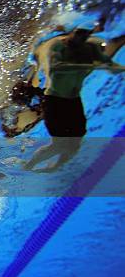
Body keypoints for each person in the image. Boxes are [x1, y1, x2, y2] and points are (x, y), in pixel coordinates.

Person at [23, 23, 124, 172]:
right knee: (58, 145)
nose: (79, 37)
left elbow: (108, 65)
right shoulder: (57, 46)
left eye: (84, 34)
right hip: (55, 101)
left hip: (74, 101)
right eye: (78, 33)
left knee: (76, 143)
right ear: (73, 32)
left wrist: (118, 68)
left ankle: (55, 167)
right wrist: (87, 66)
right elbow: (56, 68)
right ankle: (28, 166)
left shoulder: (90, 49)